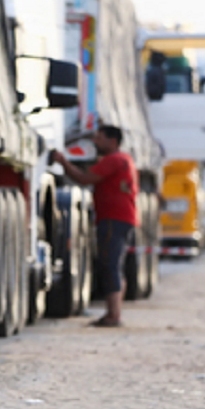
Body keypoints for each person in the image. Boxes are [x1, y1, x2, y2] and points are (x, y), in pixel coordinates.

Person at [51, 124, 139, 327]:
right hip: (123, 218)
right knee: (115, 264)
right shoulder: (124, 159)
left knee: (110, 265)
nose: (95, 142)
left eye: (100, 138)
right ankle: (114, 312)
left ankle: (114, 315)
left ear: (113, 141)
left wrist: (63, 161)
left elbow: (84, 178)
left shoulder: (113, 161)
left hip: (113, 219)